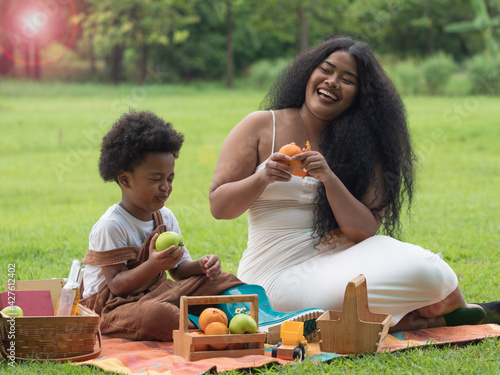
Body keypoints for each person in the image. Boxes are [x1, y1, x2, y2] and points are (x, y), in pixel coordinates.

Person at [209, 35, 498, 332]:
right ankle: (414, 319)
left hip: (342, 260)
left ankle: (402, 320)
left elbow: (363, 232)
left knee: (431, 271)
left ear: (360, 95)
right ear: (308, 73)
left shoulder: (364, 147)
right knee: (339, 294)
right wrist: (262, 177)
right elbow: (219, 206)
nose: (332, 81)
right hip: (276, 276)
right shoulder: (260, 125)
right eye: (326, 69)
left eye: (347, 79)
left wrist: (329, 179)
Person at [80, 110, 322, 342]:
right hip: (112, 306)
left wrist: (201, 265)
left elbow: (178, 270)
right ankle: (212, 322)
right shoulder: (111, 226)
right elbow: (117, 285)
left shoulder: (164, 217)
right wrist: (153, 266)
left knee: (223, 281)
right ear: (125, 179)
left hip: (154, 292)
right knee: (160, 317)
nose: (166, 187)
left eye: (170, 178)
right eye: (156, 179)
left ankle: (267, 320)